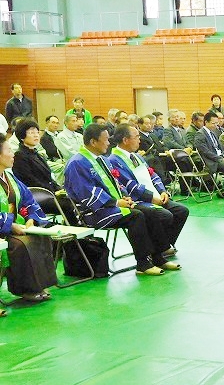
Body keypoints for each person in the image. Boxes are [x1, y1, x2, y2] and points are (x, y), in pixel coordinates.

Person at [64, 124, 181, 276]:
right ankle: (143, 264)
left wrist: (125, 196)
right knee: (137, 216)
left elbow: (117, 183)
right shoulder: (77, 163)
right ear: (93, 142)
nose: (108, 143)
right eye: (106, 140)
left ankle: (158, 258)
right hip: (94, 211)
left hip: (113, 205)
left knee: (151, 213)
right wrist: (116, 202)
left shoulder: (102, 159)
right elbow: (86, 192)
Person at [108, 124, 189, 259]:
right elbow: (129, 185)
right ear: (125, 140)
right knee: (164, 215)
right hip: (137, 200)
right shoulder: (114, 160)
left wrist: (162, 191)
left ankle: (163, 246)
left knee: (181, 211)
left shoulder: (137, 156)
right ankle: (158, 249)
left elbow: (152, 174)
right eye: (136, 137)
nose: (139, 140)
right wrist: (151, 197)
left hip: (154, 195)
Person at [0, 132, 58, 310]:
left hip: (17, 226)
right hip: (4, 229)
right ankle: (26, 289)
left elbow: (28, 200)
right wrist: (10, 225)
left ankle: (39, 285)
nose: (13, 154)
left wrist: (31, 218)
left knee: (40, 237)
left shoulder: (9, 176)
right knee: (21, 245)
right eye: (9, 150)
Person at [11, 119, 61, 193]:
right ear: (22, 136)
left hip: (49, 191)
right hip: (39, 194)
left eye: (37, 132)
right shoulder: (20, 156)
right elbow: (30, 181)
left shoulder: (36, 153)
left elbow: (49, 178)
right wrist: (52, 191)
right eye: (31, 133)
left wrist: (59, 189)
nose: (36, 135)